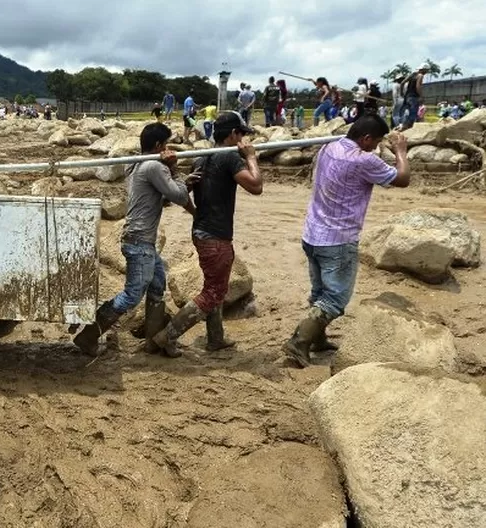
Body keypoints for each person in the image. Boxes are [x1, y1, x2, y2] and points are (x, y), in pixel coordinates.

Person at [283, 116, 410, 367]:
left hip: (313, 233)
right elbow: (403, 179)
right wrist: (401, 153)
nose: (376, 146)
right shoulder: (363, 160)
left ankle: (317, 340)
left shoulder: (328, 147)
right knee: (335, 299)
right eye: (375, 141)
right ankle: (299, 342)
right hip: (338, 240)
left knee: (319, 292)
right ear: (365, 139)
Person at [72, 123, 194, 356]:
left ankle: (153, 341)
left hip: (141, 239)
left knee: (158, 285)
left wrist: (181, 181)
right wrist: (175, 169)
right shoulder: (153, 166)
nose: (168, 149)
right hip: (139, 240)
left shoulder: (138, 163)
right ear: (159, 146)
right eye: (166, 144)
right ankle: (88, 336)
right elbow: (178, 196)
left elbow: (163, 197)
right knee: (131, 296)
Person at [152, 111, 262, 358]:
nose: (243, 138)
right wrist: (251, 158)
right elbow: (256, 186)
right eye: (241, 134)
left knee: (215, 287)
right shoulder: (230, 158)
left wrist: (196, 213)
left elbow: (183, 194)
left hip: (202, 231)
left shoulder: (201, 158)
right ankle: (166, 336)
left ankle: (216, 338)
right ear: (233, 134)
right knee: (212, 293)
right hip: (215, 236)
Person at [398, 63, 429, 131]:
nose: (426, 72)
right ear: (423, 70)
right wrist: (421, 96)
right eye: (426, 71)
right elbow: (418, 86)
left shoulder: (412, 75)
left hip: (407, 96)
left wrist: (401, 93)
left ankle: (402, 126)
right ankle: (408, 128)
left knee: (405, 113)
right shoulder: (420, 75)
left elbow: (402, 83)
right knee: (413, 114)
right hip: (414, 97)